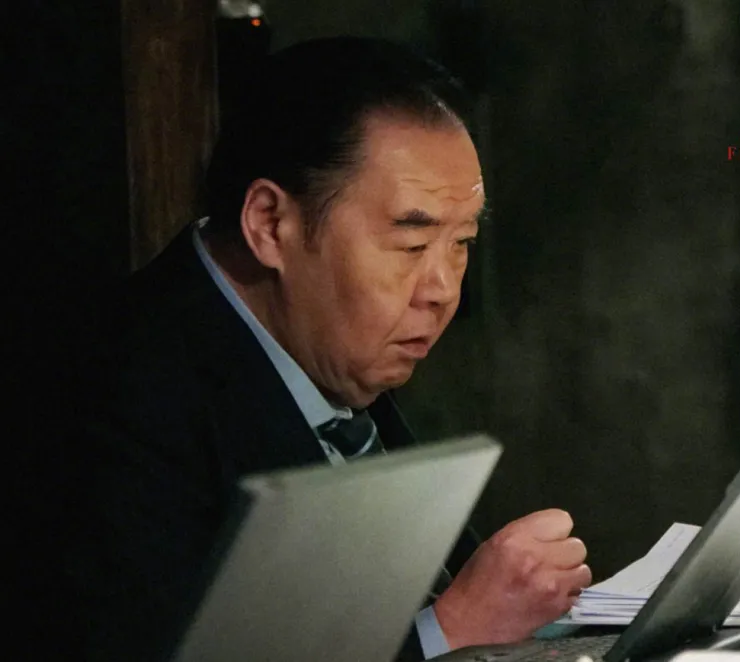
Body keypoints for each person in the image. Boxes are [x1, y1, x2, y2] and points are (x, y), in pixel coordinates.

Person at [52, 37, 592, 661]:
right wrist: (449, 632)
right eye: (412, 247)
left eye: (462, 243)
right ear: (269, 223)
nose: (443, 290)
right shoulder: (112, 395)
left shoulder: (329, 350)